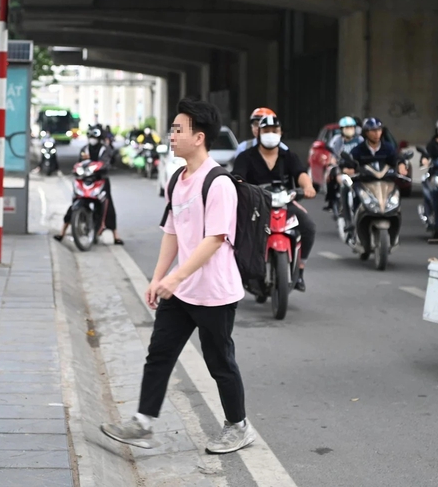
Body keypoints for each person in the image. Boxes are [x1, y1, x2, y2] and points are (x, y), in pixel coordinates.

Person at [100, 98, 255, 455]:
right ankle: (142, 422)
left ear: (198, 137)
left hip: (214, 292)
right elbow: (172, 231)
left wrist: (175, 277)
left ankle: (238, 426)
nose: (171, 136)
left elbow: (215, 239)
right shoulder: (177, 179)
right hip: (181, 290)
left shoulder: (218, 183)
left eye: (177, 129)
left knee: (220, 362)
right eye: (172, 129)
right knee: (159, 353)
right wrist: (158, 278)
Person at [233, 114, 317, 292]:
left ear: (281, 133)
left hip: (284, 203)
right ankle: (240, 270)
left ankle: (299, 270)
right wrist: (239, 187)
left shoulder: (289, 156)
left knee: (308, 226)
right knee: (237, 231)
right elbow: (238, 176)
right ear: (258, 133)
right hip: (255, 206)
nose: (270, 134)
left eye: (274, 130)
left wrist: (307, 187)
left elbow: (300, 174)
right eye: (266, 131)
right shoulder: (246, 156)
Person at [55, 125, 123, 245]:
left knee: (108, 207)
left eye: (94, 136)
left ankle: (115, 235)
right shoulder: (84, 149)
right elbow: (80, 163)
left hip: (100, 180)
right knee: (74, 204)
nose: (92, 139)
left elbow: (106, 162)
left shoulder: (105, 149)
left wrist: (98, 166)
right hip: (85, 180)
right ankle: (62, 232)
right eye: (90, 136)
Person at [325, 116, 363, 211]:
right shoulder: (338, 141)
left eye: (351, 127)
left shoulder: (360, 140)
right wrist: (333, 163)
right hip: (342, 167)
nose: (349, 130)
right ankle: (332, 201)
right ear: (342, 130)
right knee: (331, 176)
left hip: (357, 168)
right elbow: (334, 155)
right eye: (347, 128)